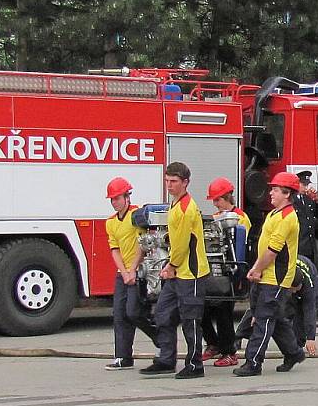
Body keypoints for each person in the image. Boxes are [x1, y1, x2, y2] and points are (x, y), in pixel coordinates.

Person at [140, 162, 210, 379]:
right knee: (162, 314)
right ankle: (166, 359)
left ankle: (195, 364)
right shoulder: (175, 204)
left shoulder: (185, 209)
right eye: (167, 181)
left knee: (191, 320)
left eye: (174, 182)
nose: (169, 185)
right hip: (179, 272)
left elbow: (181, 245)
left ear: (185, 183)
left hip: (191, 273)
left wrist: (171, 266)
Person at [233, 172, 306, 377]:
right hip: (266, 275)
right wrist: (257, 269)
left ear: (287, 193)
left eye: (275, 189)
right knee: (275, 317)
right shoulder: (275, 213)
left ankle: (253, 362)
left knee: (264, 318)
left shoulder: (287, 217)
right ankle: (293, 353)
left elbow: (273, 250)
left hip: (276, 278)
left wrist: (256, 268)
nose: (271, 192)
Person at [104, 177, 158, 370]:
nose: (115, 202)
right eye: (112, 199)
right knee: (119, 314)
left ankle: (159, 338)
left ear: (127, 197)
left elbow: (143, 244)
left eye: (117, 198)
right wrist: (124, 271)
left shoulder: (137, 216)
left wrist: (133, 269)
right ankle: (123, 357)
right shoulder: (110, 223)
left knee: (134, 312)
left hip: (139, 271)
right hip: (124, 272)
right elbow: (114, 249)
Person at [201, 177, 251, 368]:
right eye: (213, 201)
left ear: (227, 197)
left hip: (231, 270)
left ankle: (229, 351)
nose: (215, 204)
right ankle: (213, 344)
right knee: (203, 308)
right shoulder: (216, 217)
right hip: (214, 270)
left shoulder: (240, 217)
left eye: (218, 200)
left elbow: (238, 241)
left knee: (223, 312)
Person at [295, 171, 318, 263]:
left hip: (309, 247)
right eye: (303, 184)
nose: (306, 187)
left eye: (307, 185)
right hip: (298, 246)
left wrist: (317, 200)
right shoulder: (291, 200)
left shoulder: (309, 199)